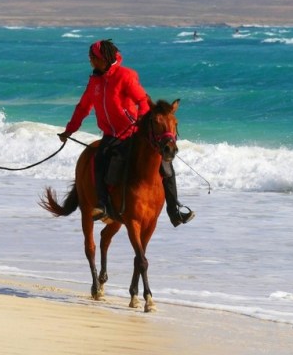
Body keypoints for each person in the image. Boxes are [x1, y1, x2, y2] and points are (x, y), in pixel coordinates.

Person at [58, 39, 195, 227]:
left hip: (132, 132)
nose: (89, 60)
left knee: (165, 165)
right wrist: (69, 130)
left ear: (103, 58)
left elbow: (142, 101)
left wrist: (139, 119)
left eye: (92, 57)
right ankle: (103, 205)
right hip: (111, 135)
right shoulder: (95, 82)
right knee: (99, 159)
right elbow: (83, 108)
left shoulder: (125, 76)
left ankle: (174, 209)